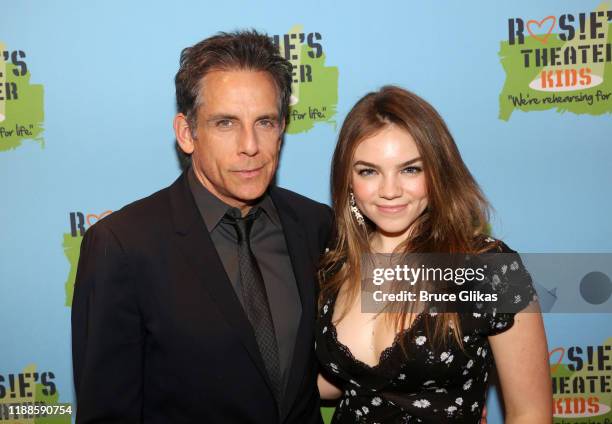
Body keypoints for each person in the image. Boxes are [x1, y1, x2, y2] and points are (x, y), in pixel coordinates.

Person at [71, 30, 332, 423]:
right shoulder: (121, 246)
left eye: (265, 122)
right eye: (226, 123)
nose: (250, 145)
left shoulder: (315, 225)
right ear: (187, 133)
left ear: (282, 129)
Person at [315, 86, 552, 423]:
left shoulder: (489, 271)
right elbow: (340, 381)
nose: (389, 190)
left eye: (410, 169)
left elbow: (530, 414)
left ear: (437, 172)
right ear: (348, 181)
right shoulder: (335, 266)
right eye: (368, 171)